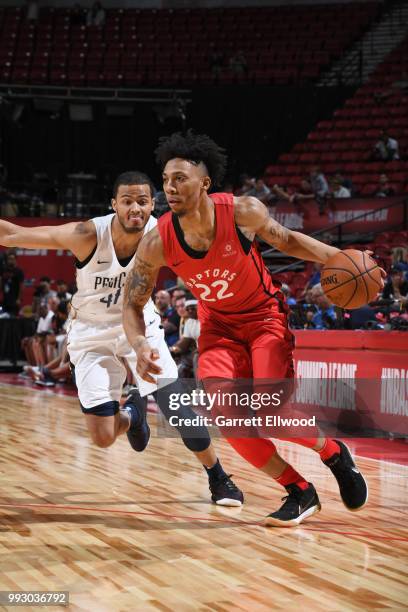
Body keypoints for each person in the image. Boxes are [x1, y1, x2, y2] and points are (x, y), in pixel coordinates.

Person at [123, 131, 385, 527]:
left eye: (180, 178)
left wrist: (342, 258)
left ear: (205, 183)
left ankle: (334, 454)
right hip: (218, 330)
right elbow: (132, 302)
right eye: (166, 179)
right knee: (229, 419)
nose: (170, 187)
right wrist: (140, 342)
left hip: (264, 319)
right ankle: (299, 490)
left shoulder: (241, 211)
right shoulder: (157, 240)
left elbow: (288, 240)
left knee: (271, 411)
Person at [0, 171, 243, 507]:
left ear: (151, 205)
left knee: (177, 408)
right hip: (91, 334)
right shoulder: (88, 234)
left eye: (142, 201)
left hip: (141, 328)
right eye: (127, 201)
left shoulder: (162, 232)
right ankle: (133, 415)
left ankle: (218, 477)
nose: (135, 208)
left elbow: (213, 241)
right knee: (101, 437)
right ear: (113, 204)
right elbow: (13, 234)